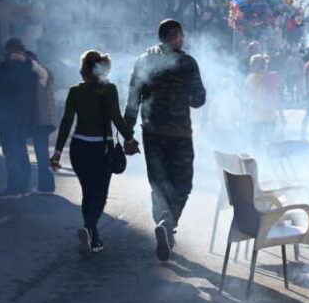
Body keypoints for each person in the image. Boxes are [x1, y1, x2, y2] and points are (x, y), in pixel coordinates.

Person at [124, 19, 206, 261]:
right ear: (177, 36)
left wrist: (127, 134)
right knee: (183, 183)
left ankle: (164, 222)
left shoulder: (142, 61)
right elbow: (199, 99)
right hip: (179, 133)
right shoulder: (187, 62)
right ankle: (168, 222)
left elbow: (132, 100)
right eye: (182, 35)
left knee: (158, 182)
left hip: (151, 132)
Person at [52, 50, 139, 258]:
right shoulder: (109, 90)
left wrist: (57, 152)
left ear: (84, 69)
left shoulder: (74, 91)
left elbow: (66, 123)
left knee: (88, 193)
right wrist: (129, 138)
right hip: (102, 148)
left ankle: (92, 236)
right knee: (99, 194)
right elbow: (117, 118)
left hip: (78, 147)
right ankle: (89, 228)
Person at [0, 38, 38, 198]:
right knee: (21, 149)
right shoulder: (29, 66)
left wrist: (1, 65)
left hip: (8, 115)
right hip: (25, 115)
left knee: (11, 152)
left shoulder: (6, 66)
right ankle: (24, 186)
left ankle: (13, 188)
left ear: (10, 50)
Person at [26, 50, 57, 194]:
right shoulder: (39, 74)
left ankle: (46, 186)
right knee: (42, 154)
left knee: (42, 155)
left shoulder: (41, 73)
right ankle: (46, 186)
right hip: (42, 120)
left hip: (41, 121)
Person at [243, 55, 281, 149]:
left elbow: (245, 95)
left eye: (252, 64)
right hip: (271, 114)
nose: (250, 67)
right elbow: (277, 96)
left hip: (256, 115)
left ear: (257, 65)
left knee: (255, 143)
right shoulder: (272, 77)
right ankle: (269, 161)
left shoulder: (251, 78)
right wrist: (281, 114)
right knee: (270, 143)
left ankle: (258, 160)